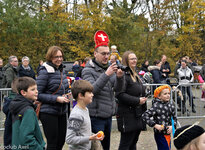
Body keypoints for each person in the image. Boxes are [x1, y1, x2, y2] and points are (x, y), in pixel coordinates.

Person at [82, 30, 124, 150]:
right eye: (103, 54)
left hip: (108, 116)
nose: (106, 56)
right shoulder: (88, 70)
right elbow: (92, 90)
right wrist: (107, 74)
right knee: (96, 148)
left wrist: (120, 78)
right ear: (95, 54)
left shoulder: (108, 68)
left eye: (108, 53)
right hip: (96, 117)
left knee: (106, 147)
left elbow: (118, 89)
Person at [36, 46, 70, 150]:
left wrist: (66, 94)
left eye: (61, 56)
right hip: (48, 112)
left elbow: (62, 88)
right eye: (56, 57)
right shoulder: (44, 72)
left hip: (62, 111)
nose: (59, 59)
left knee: (61, 141)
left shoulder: (61, 70)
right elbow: (38, 94)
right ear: (50, 57)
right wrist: (56, 99)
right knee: (52, 143)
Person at [115, 51, 147, 150]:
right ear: (126, 61)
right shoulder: (123, 75)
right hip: (127, 115)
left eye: (135, 58)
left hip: (137, 113)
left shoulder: (135, 74)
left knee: (133, 142)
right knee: (126, 144)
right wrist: (137, 100)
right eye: (132, 59)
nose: (134, 60)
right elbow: (120, 94)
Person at [9, 77, 46, 149]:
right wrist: (39, 148)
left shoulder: (17, 106)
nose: (37, 91)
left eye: (36, 89)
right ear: (23, 92)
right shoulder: (28, 111)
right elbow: (27, 137)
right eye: (33, 89)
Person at [66, 80, 104, 150]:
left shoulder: (85, 109)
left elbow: (82, 132)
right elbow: (70, 139)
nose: (92, 94)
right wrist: (90, 138)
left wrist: (94, 136)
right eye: (89, 93)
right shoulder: (76, 115)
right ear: (80, 95)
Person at [142, 85, 177, 150]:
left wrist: (173, 126)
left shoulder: (171, 105)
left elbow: (174, 118)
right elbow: (145, 115)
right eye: (165, 94)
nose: (168, 95)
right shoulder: (156, 106)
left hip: (168, 133)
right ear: (159, 96)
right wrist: (155, 125)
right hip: (159, 134)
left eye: (169, 93)